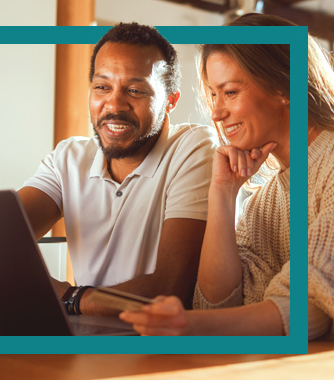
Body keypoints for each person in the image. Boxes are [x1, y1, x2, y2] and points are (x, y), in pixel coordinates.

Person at [0, 23, 217, 316]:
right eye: (102, 87)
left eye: (135, 90)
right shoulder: (69, 156)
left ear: (171, 101)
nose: (114, 105)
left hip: (165, 352)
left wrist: (72, 297)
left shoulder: (195, 147)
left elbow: (168, 291)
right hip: (86, 339)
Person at [120, 13, 334, 338]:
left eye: (230, 92)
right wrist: (222, 194)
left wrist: (187, 326)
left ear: (283, 86)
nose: (217, 113)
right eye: (213, 95)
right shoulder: (263, 203)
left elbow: (309, 311)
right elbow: (219, 307)